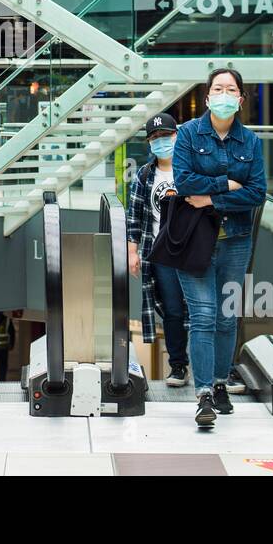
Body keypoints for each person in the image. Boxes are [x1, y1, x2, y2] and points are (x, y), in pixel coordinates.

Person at [171, 67, 266, 429]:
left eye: (231, 89)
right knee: (204, 316)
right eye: (217, 88)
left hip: (236, 241)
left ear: (240, 99)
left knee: (227, 317)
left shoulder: (252, 143)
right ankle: (204, 393)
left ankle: (222, 382)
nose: (224, 94)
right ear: (207, 96)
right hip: (194, 240)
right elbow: (182, 182)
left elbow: (257, 193)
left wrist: (210, 197)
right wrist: (228, 184)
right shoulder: (188, 134)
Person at [126, 112, 190, 387]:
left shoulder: (192, 167)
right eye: (154, 138)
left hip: (193, 251)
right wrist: (132, 252)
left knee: (202, 310)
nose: (160, 142)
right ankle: (178, 366)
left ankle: (212, 367)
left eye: (165, 136)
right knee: (173, 311)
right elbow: (135, 216)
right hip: (161, 254)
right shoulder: (145, 174)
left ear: (176, 135)